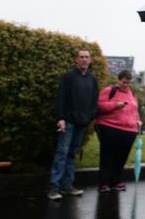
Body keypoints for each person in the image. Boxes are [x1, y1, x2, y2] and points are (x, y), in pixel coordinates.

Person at [47, 48, 99, 200]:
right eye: (81, 57)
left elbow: (94, 102)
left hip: (82, 124)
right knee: (61, 154)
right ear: (76, 60)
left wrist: (89, 118)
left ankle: (68, 186)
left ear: (89, 60)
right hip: (68, 122)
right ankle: (53, 188)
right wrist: (60, 118)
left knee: (71, 155)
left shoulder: (92, 79)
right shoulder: (68, 77)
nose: (84, 59)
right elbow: (61, 98)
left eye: (86, 57)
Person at [95, 70, 141, 193]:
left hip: (129, 131)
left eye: (128, 82)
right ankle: (104, 183)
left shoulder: (132, 94)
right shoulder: (110, 91)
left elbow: (135, 111)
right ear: (118, 80)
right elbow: (99, 105)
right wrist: (115, 105)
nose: (125, 85)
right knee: (107, 156)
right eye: (124, 82)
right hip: (109, 127)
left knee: (121, 157)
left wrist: (137, 122)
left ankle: (116, 181)